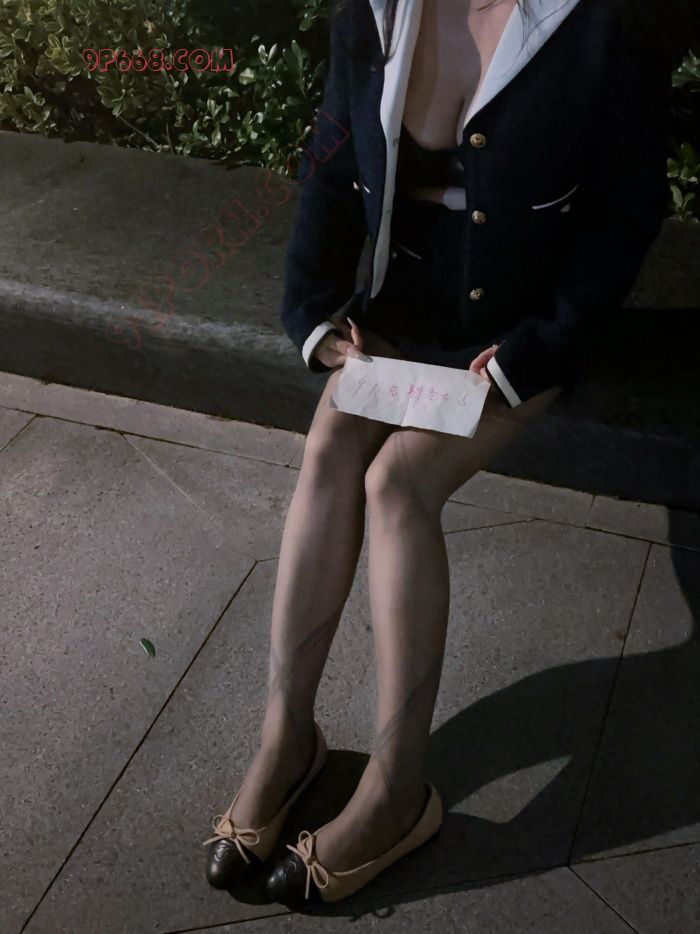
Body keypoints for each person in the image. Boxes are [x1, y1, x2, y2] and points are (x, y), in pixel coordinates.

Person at [203, 0, 671, 906]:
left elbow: (626, 213)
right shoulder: (378, 6)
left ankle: (397, 791)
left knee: (397, 483)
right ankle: (286, 741)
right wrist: (314, 314)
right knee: (331, 445)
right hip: (400, 309)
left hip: (519, 331)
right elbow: (333, 155)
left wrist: (538, 350)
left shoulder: (602, 21)